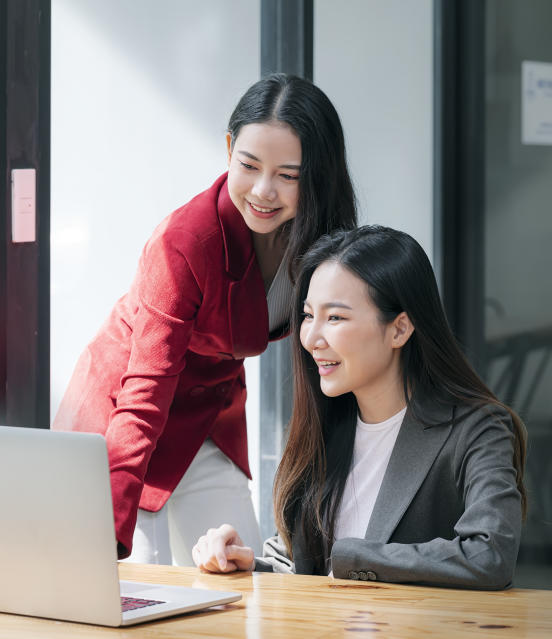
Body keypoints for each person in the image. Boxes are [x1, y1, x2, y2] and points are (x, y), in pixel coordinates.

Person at [52, 73, 357, 564]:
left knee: (241, 577)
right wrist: (104, 529)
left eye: (288, 175)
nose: (263, 190)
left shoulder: (323, 239)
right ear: (230, 147)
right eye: (249, 165)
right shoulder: (185, 241)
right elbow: (145, 390)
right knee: (135, 584)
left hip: (208, 417)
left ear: (317, 174)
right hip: (128, 415)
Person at [192, 226, 527, 589]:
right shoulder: (327, 422)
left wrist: (355, 558)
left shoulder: (477, 430)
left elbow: (489, 557)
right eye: (308, 315)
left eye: (334, 317)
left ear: (399, 329)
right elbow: (299, 565)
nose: (311, 338)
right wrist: (247, 564)